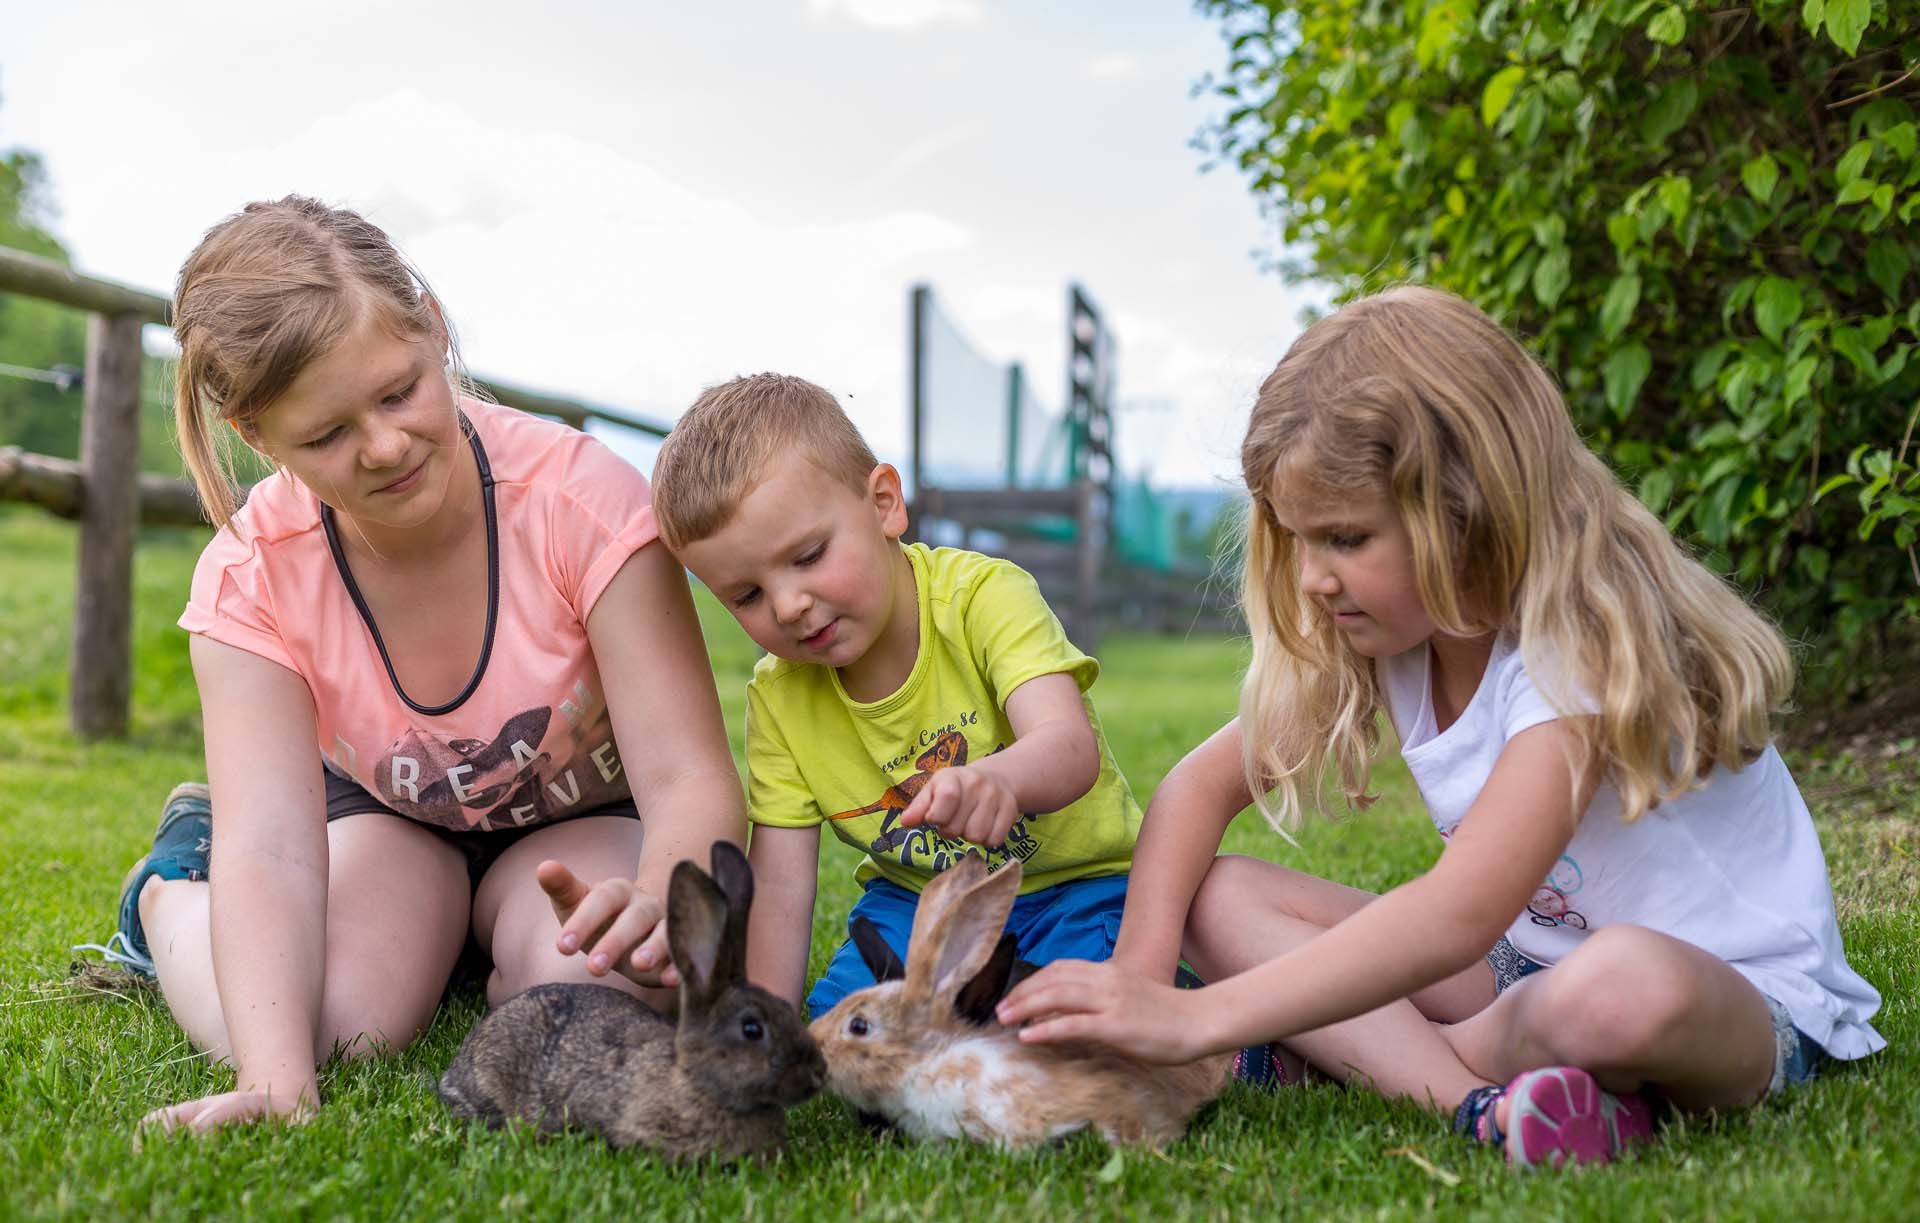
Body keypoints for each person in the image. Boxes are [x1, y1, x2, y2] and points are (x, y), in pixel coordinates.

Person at [998, 285, 1884, 1169]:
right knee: (1223, 895)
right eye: (1297, 539)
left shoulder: (1574, 652)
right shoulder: (1401, 640)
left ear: (1469, 510)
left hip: (1729, 996)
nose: (1311, 577)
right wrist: (1144, 979)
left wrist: (1199, 1018)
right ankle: (1485, 1106)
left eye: (1345, 538)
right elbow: (1197, 788)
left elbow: (1458, 913)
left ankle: (1383, 1059)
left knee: (1619, 987)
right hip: (1518, 972)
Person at [79, 196, 744, 1136]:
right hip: (387, 820)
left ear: (432, 329)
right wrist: (277, 1079)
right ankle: (169, 891)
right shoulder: (249, 574)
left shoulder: (581, 502)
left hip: (581, 822)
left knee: (594, 990)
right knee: (328, 1025)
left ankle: (486, 940)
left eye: (398, 392)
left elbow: (688, 775)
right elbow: (272, 844)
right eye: (327, 436)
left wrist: (659, 900)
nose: (385, 446)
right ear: (258, 435)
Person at [645, 373, 1142, 1018]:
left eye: (809, 555)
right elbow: (783, 884)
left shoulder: (983, 599)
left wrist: (999, 779)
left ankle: (1237, 1048)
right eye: (747, 596)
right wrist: (765, 1026)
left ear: (883, 503)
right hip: (916, 905)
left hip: (1075, 890)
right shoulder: (779, 696)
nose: (789, 605)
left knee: (1056, 1035)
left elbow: (1069, 748)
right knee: (846, 1045)